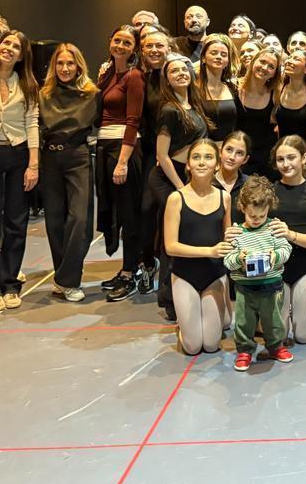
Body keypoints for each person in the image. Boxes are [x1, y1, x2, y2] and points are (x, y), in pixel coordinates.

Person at [0, 30, 40, 312]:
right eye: (6, 43)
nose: (10, 49)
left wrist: (33, 165)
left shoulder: (27, 84)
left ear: (22, 55)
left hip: (19, 155)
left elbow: (32, 124)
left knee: (16, 221)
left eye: (16, 46)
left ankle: (11, 283)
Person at [148, 54, 208, 319]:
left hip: (187, 179)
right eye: (174, 71)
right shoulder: (169, 110)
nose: (181, 73)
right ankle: (169, 298)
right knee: (172, 238)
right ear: (167, 79)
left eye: (184, 69)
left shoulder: (193, 104)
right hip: (168, 179)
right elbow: (162, 156)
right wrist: (181, 188)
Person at [38, 43, 99, 303]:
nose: (65, 68)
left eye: (70, 63)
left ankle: (68, 279)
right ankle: (65, 278)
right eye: (60, 63)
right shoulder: (43, 94)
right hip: (49, 158)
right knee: (54, 221)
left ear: (79, 66)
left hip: (78, 156)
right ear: (54, 66)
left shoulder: (91, 94)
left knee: (79, 219)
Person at [163, 138, 232, 355]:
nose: (202, 162)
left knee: (211, 345)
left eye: (208, 157)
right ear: (188, 164)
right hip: (185, 275)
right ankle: (183, 326)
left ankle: (218, 315)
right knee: (193, 347)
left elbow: (228, 237)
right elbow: (171, 246)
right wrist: (209, 251)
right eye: (196, 157)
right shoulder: (176, 198)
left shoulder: (224, 197)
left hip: (214, 274)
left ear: (217, 165)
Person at [95, 27, 147, 303]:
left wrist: (123, 161)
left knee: (129, 215)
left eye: (127, 43)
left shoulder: (134, 76)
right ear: (109, 42)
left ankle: (130, 273)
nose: (121, 46)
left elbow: (133, 120)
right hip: (105, 147)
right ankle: (127, 268)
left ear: (134, 48)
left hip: (123, 149)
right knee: (116, 211)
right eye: (117, 40)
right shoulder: (106, 74)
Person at [223, 176, 294, 370]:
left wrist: (274, 256)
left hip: (271, 286)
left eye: (261, 216)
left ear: (268, 210)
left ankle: (276, 346)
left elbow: (286, 250)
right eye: (252, 216)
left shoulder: (273, 228)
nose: (256, 220)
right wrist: (239, 259)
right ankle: (244, 350)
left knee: (273, 321)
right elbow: (227, 260)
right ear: (242, 208)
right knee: (244, 322)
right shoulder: (237, 233)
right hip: (245, 288)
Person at [267, 136, 306, 345]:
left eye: (291, 158)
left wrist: (290, 234)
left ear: (303, 158)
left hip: (304, 268)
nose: (286, 164)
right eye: (280, 159)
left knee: (302, 337)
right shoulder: (269, 192)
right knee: (280, 336)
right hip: (277, 269)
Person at [236, 47, 281, 180]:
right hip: (240, 156)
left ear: (274, 74)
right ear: (253, 62)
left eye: (271, 66)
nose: (265, 67)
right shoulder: (234, 87)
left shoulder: (276, 94)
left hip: (266, 159)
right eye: (262, 62)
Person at [195, 34, 239, 140]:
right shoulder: (193, 88)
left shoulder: (233, 88)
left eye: (223, 54)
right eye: (214, 53)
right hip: (202, 146)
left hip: (227, 146)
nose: (219, 57)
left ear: (228, 61)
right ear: (203, 58)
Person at [274, 48, 306, 144]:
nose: (289, 61)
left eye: (296, 59)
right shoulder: (279, 89)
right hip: (281, 147)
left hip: (305, 149)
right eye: (289, 57)